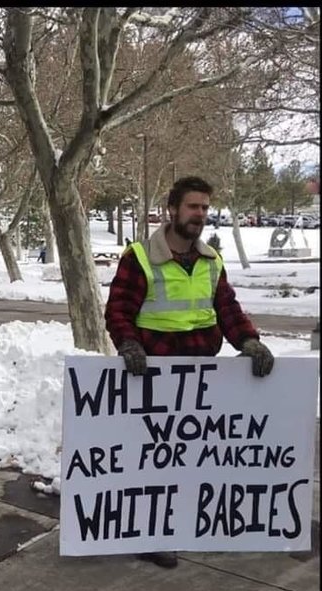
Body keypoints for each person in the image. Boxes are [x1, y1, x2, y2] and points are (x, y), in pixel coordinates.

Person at [104, 176, 274, 570]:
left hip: (200, 378)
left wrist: (248, 341)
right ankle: (149, 535)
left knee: (193, 459)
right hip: (154, 377)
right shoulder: (141, 256)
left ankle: (193, 524)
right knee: (151, 462)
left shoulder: (211, 260)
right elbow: (118, 310)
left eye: (205, 208)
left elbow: (227, 309)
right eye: (193, 207)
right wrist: (128, 344)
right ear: (173, 210)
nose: (200, 214)